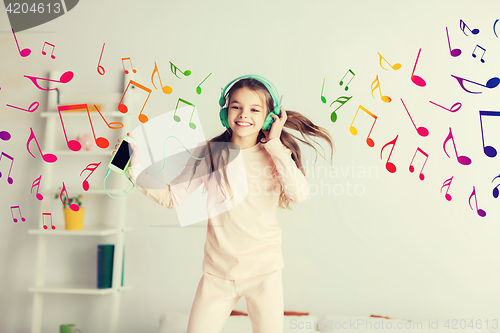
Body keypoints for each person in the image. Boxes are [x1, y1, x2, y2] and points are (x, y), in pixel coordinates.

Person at [113, 76, 334, 333]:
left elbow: (299, 194)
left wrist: (274, 143)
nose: (243, 115)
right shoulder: (210, 153)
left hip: (264, 272)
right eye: (236, 106)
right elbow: (173, 198)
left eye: (255, 109)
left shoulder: (275, 153)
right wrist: (135, 169)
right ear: (225, 111)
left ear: (270, 117)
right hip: (217, 274)